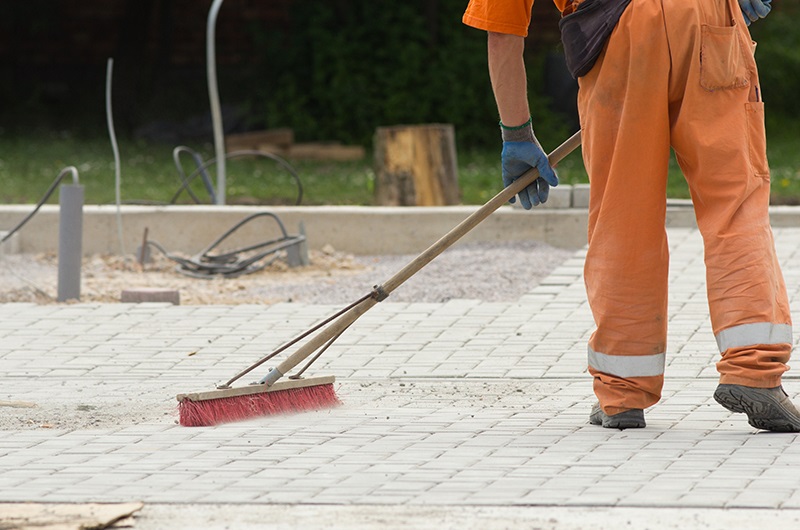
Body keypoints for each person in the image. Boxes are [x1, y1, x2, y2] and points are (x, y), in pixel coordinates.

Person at [462, 0, 800, 431]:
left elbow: (502, 30)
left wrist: (517, 133)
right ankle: (756, 371)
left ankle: (623, 391)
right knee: (735, 206)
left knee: (624, 215)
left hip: (619, 30)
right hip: (707, 17)